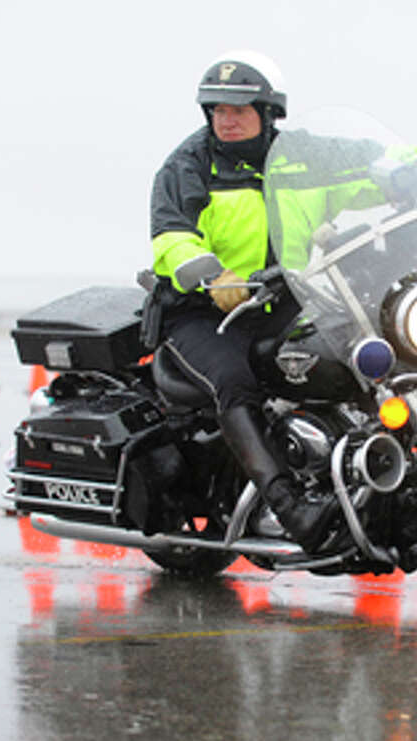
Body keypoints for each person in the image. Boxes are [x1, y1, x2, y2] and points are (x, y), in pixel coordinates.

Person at [148, 50, 340, 553]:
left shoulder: (299, 156)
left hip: (283, 302)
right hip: (206, 314)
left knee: (353, 351)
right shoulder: (187, 166)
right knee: (235, 383)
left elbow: (359, 166)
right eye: (217, 110)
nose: (226, 120)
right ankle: (290, 506)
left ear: (268, 112)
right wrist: (212, 274)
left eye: (238, 109)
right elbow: (171, 238)